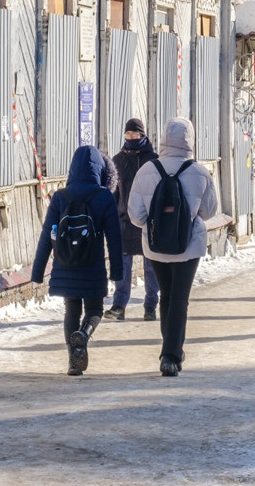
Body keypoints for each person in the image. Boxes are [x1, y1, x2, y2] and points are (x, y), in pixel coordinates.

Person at [127, 117, 219, 377]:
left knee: (166, 296)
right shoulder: (199, 171)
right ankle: (171, 355)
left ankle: (170, 351)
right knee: (180, 297)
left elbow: (136, 215)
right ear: (190, 139)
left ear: (165, 138)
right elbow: (209, 211)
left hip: (155, 245)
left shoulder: (147, 170)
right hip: (189, 245)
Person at [32, 146, 124, 376]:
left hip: (65, 264)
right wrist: (117, 272)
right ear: (100, 169)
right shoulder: (104, 197)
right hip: (92, 265)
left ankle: (73, 363)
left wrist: (38, 270)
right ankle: (84, 333)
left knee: (71, 310)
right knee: (95, 309)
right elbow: (114, 238)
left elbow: (46, 234)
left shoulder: (60, 197)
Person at [105, 118, 160, 322]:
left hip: (148, 221)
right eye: (127, 134)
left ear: (142, 135)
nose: (130, 137)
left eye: (134, 134)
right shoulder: (117, 160)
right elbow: (113, 192)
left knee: (151, 265)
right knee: (122, 265)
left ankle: (150, 306)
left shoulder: (153, 160)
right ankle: (119, 306)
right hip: (124, 221)